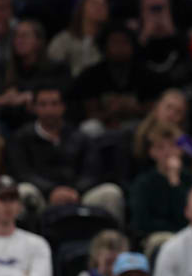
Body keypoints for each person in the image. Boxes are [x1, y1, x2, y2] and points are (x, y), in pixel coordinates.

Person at [7, 84, 125, 221]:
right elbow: (23, 172)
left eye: (54, 104)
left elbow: (92, 171)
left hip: (78, 196)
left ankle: (113, 241)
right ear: (34, 108)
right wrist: (52, 191)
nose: (49, 109)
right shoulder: (21, 138)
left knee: (111, 192)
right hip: (41, 197)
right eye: (43, 104)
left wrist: (74, 191)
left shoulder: (80, 137)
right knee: (22, 191)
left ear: (63, 107)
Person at [128, 121, 192, 251]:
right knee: (164, 241)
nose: (167, 152)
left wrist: (174, 182)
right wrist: (174, 230)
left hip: (190, 238)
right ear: (152, 152)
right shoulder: (143, 183)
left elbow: (190, 218)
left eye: (172, 146)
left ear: (181, 150)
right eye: (160, 147)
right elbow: (140, 223)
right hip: (155, 239)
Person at [47, 0, 108, 76]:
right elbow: (52, 66)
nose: (100, 7)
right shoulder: (63, 39)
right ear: (82, 7)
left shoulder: (110, 41)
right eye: (94, 3)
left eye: (104, 4)